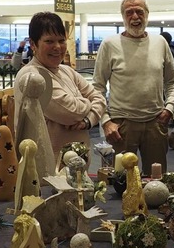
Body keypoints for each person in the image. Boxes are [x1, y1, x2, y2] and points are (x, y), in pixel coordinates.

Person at [92, 0, 174, 176]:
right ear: (122, 16)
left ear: (147, 14)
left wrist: (170, 108)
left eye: (139, 11)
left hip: (156, 123)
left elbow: (172, 82)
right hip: (121, 127)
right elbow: (97, 87)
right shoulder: (109, 44)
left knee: (157, 183)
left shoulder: (160, 42)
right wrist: (106, 122)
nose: (135, 17)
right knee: (120, 183)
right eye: (129, 12)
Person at [14, 12, 106, 163]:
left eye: (61, 40)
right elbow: (70, 112)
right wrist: (87, 102)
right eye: (49, 41)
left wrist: (88, 120)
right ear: (33, 44)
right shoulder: (32, 77)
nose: (57, 47)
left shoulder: (66, 70)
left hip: (75, 165)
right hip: (48, 169)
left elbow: (100, 98)